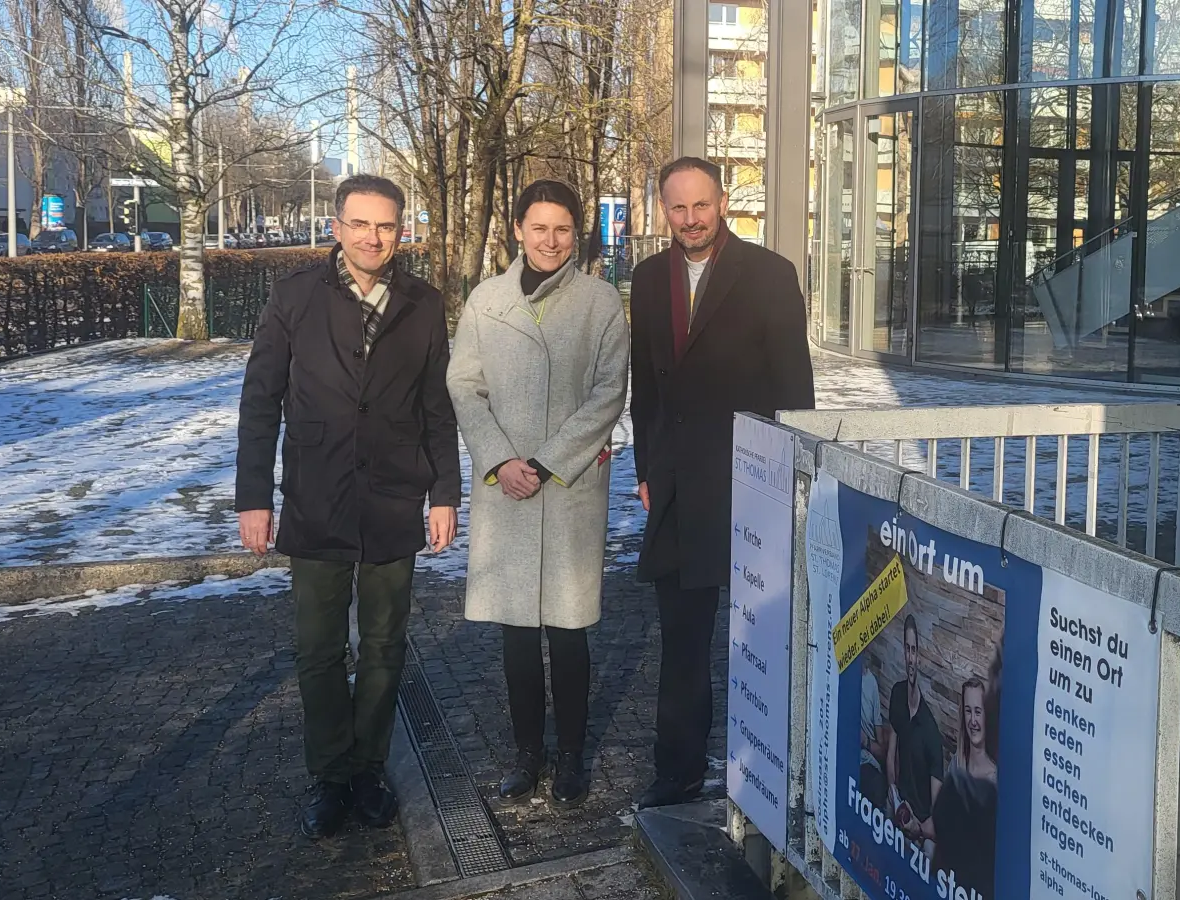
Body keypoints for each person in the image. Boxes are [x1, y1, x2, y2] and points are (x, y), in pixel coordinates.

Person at [236, 173, 460, 839]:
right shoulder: (296, 296)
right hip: (316, 496)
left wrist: (444, 491)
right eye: (360, 223)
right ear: (336, 226)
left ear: (401, 231)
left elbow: (436, 407)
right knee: (318, 648)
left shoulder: (423, 304)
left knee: (386, 644)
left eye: (386, 225)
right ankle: (330, 775)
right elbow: (260, 398)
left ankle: (368, 768)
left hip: (394, 497)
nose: (373, 236)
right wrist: (253, 497)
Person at [630, 156, 815, 808]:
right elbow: (645, 386)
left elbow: (796, 391)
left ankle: (771, 771)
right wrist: (645, 468)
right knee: (681, 640)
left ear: (723, 200)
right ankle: (676, 770)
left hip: (751, 483)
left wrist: (796, 475)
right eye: (677, 208)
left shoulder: (769, 275)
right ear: (663, 209)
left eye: (700, 206)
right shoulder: (649, 279)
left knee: (761, 634)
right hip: (678, 489)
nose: (690, 220)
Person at [447, 180, 629, 808]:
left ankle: (572, 755)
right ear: (518, 230)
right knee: (517, 633)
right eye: (539, 227)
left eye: (563, 229)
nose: (551, 241)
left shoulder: (600, 301)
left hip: (569, 486)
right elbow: (463, 384)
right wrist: (501, 459)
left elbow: (609, 392)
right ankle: (528, 753)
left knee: (570, 631)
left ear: (576, 234)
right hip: (507, 489)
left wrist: (549, 462)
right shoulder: (486, 300)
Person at [887, 615, 947, 859]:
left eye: (915, 651)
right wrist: (894, 796)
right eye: (907, 649)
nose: (910, 658)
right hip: (898, 803)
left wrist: (917, 828)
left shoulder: (931, 733)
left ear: (920, 657)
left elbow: (939, 816)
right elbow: (891, 757)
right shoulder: (897, 694)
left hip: (921, 826)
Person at [933, 677, 998, 898]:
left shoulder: (997, 782)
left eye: (978, 712)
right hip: (948, 883)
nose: (973, 720)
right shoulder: (955, 768)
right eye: (968, 711)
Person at [860, 654, 890, 810]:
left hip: (867, 761)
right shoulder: (842, 680)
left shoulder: (871, 682)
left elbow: (881, 751)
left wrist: (866, 742)